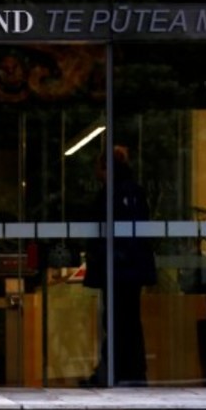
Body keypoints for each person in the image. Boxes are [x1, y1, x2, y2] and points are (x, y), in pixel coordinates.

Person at [82, 145, 156, 386]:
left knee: (116, 320)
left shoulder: (110, 194)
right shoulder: (135, 192)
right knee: (129, 320)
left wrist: (100, 258)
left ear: (106, 167)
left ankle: (114, 372)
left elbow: (103, 231)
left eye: (98, 167)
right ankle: (131, 372)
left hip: (117, 269)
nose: (96, 172)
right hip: (130, 269)